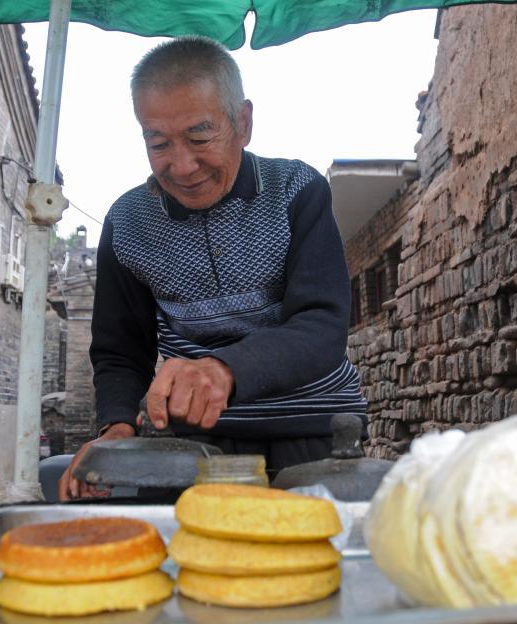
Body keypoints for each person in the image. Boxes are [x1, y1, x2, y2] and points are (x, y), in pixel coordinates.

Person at [58, 37, 366, 500]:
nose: (181, 166)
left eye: (200, 137)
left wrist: (223, 370)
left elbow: (321, 325)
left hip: (311, 426)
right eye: (158, 143)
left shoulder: (297, 190)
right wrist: (116, 426)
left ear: (242, 123)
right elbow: (120, 351)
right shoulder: (127, 222)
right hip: (191, 437)